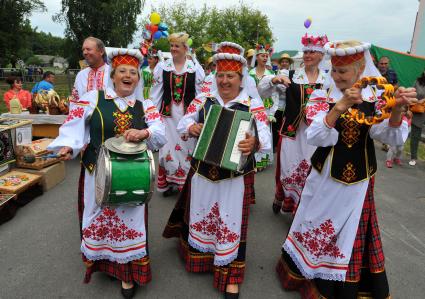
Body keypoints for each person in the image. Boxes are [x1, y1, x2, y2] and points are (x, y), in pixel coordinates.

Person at [276, 40, 416, 299]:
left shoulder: (373, 97)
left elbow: (390, 136)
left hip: (359, 180)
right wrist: (340, 106)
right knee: (316, 222)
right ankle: (308, 274)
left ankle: (341, 286)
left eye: (344, 71)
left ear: (360, 69)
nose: (337, 76)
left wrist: (396, 108)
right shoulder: (322, 95)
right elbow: (317, 136)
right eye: (335, 71)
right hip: (325, 176)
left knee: (350, 233)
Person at [47, 48, 166, 299]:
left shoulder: (146, 105)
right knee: (99, 222)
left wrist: (144, 132)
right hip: (97, 175)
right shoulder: (92, 98)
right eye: (122, 71)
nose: (128, 76)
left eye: (133, 72)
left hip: (133, 176)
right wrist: (68, 145)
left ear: (138, 78)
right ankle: (104, 264)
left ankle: (127, 274)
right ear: (113, 75)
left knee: (129, 224)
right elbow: (75, 126)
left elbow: (160, 133)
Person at [162, 41, 271, 299]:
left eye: (230, 76)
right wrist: (191, 128)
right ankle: (200, 257)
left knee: (230, 221)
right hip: (203, 173)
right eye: (220, 75)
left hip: (233, 178)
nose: (224, 81)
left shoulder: (252, 105)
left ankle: (231, 273)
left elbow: (266, 138)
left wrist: (254, 142)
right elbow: (184, 122)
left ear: (240, 78)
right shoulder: (204, 100)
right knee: (203, 215)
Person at [259, 33, 328, 215]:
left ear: (321, 55)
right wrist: (273, 79)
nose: (308, 55)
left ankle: (302, 207)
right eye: (306, 52)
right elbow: (261, 91)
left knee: (310, 168)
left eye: (313, 51)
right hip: (292, 132)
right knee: (288, 167)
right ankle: (280, 195)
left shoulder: (327, 81)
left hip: (315, 135)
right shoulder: (289, 75)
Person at [150, 32, 205, 196]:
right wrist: (153, 116)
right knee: (167, 150)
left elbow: (201, 94)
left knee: (187, 149)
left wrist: (199, 117)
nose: (173, 49)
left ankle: (185, 185)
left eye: (177, 46)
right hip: (167, 117)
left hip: (188, 117)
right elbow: (156, 93)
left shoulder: (195, 68)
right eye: (171, 46)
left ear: (185, 48)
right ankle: (169, 183)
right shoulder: (162, 67)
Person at [249, 44, 276, 169]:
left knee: (265, 133)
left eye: (266, 56)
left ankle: (262, 162)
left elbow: (275, 94)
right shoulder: (250, 73)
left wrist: (272, 113)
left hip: (266, 108)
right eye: (262, 55)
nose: (265, 58)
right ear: (256, 57)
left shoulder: (271, 73)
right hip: (253, 107)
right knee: (253, 132)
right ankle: (253, 161)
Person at [72, 37, 109, 101]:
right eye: (83, 50)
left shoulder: (113, 73)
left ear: (101, 51)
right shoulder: (80, 75)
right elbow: (75, 100)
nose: (85, 52)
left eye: (88, 49)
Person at [410, 71, 425, 166]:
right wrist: (417, 101)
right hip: (418, 111)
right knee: (415, 136)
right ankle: (413, 157)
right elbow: (412, 94)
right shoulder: (418, 82)